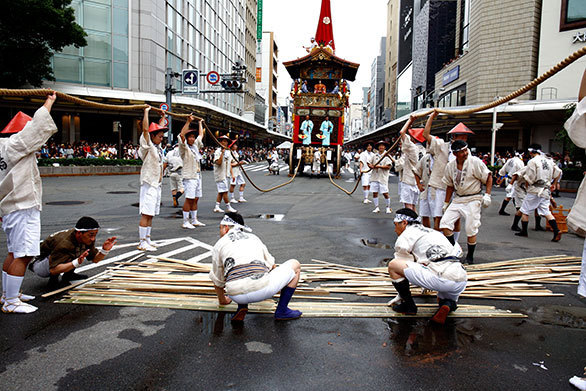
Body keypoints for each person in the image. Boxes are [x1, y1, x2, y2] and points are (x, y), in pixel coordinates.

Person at [0, 92, 58, 313]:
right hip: (22, 206)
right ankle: (12, 302)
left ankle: (8, 295)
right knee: (23, 254)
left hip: (10, 206)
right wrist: (49, 101)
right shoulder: (16, 143)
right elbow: (38, 125)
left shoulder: (3, 147)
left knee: (14, 253)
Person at [209, 212, 302, 322]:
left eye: (220, 228)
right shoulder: (253, 238)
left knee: (236, 274)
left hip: (235, 294)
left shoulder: (219, 245)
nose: (220, 232)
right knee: (295, 265)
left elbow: (217, 280)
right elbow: (271, 265)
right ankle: (282, 310)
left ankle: (242, 306)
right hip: (262, 289)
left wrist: (223, 300)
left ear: (225, 228)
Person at [387, 209, 467, 324]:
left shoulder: (405, 236)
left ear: (404, 222)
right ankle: (448, 305)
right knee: (444, 299)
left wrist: (401, 294)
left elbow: (403, 267)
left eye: (395, 225)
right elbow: (458, 251)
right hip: (460, 278)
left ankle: (409, 306)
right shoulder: (433, 232)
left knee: (393, 265)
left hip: (439, 277)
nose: (395, 230)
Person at [440, 140, 493, 264]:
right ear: (455, 153)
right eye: (461, 151)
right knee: (444, 224)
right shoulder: (450, 166)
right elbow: (449, 185)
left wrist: (487, 195)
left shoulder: (475, 162)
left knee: (470, 228)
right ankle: (455, 248)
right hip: (458, 198)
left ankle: (470, 256)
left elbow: (488, 177)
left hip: (473, 198)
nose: (465, 153)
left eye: (466, 150)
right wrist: (446, 203)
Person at [423, 112, 474, 236]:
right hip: (441, 187)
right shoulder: (441, 146)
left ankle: (453, 244)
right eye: (461, 137)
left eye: (465, 138)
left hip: (457, 190)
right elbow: (426, 135)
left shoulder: (468, 154)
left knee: (456, 218)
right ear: (454, 137)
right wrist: (432, 117)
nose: (464, 140)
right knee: (438, 217)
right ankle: (438, 244)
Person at [28, 217, 117, 287]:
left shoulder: (87, 239)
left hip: (55, 259)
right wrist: (76, 263)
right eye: (91, 235)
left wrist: (104, 250)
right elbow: (53, 270)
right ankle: (53, 280)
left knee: (77, 251)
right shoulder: (65, 243)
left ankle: (68, 275)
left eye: (95, 235)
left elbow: (95, 260)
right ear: (79, 233)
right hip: (40, 264)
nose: (93, 238)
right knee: (71, 252)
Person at [515, 144, 562, 241]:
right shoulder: (549, 160)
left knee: (525, 211)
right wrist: (555, 183)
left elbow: (529, 177)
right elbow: (559, 172)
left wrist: (527, 186)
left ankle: (524, 231)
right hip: (546, 189)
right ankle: (556, 230)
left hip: (535, 190)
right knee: (546, 212)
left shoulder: (532, 161)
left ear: (531, 152)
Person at [137, 107, 166, 252]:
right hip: (149, 183)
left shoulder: (158, 148)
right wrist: (146, 112)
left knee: (152, 214)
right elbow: (146, 130)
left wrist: (163, 116)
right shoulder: (147, 146)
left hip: (157, 184)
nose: (162, 139)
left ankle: (147, 238)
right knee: (146, 213)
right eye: (159, 136)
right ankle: (142, 241)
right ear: (152, 136)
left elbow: (158, 128)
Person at [178, 115, 206, 228]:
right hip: (189, 176)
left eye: (193, 137)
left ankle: (194, 219)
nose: (192, 139)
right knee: (189, 199)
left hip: (197, 175)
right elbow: (181, 135)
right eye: (190, 137)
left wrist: (200, 123)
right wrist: (188, 121)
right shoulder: (184, 148)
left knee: (196, 198)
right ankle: (185, 221)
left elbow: (201, 135)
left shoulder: (195, 146)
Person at [398, 117, 426, 211]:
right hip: (418, 181)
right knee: (413, 206)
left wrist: (410, 120)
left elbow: (402, 132)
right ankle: (415, 223)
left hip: (409, 180)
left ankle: (410, 224)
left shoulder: (412, 148)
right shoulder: (424, 150)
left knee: (408, 206)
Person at [213, 136, 237, 213]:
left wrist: (232, 174)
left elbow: (229, 163)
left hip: (225, 174)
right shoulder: (218, 152)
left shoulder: (228, 152)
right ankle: (228, 206)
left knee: (221, 191)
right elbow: (219, 163)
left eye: (226, 141)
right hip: (220, 174)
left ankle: (217, 206)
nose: (224, 143)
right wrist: (222, 153)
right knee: (224, 191)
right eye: (223, 141)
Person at [368, 141, 393, 214]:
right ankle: (376, 207)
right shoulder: (374, 155)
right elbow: (369, 163)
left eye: (382, 146)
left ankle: (388, 207)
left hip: (383, 177)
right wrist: (371, 166)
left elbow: (388, 166)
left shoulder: (387, 156)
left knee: (385, 193)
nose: (381, 147)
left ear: (385, 147)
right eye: (380, 146)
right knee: (375, 193)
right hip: (375, 177)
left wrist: (379, 166)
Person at [414, 152, 433, 228]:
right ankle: (427, 234)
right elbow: (416, 171)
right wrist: (418, 184)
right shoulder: (425, 158)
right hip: (425, 189)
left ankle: (439, 237)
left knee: (438, 216)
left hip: (437, 190)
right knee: (424, 214)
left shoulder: (442, 157)